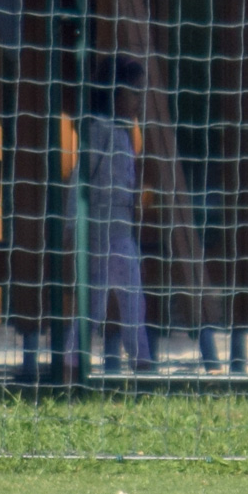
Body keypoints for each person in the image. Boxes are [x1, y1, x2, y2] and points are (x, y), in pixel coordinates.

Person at [76, 56, 154, 373]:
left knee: (100, 305)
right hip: (102, 232)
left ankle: (72, 362)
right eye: (134, 92)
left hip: (119, 230)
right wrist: (72, 226)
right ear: (114, 91)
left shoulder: (123, 133)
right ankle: (142, 365)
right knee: (128, 302)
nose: (138, 101)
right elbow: (79, 179)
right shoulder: (100, 130)